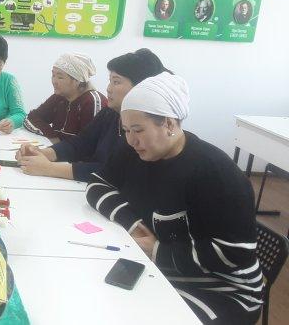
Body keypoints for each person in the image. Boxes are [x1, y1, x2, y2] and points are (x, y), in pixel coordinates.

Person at [86, 73, 263, 324]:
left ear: (169, 124)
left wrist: (157, 250)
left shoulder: (214, 172)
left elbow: (235, 253)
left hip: (223, 289)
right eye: (126, 130)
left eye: (138, 130)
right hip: (160, 268)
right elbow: (97, 184)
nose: (131, 140)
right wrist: (133, 224)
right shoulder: (135, 150)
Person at [16, 49, 168, 182]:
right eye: (110, 81)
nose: (108, 89)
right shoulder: (110, 113)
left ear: (141, 86)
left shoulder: (146, 127)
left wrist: (49, 168)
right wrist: (43, 153)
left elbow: (114, 171)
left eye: (116, 82)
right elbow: (80, 144)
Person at [24, 53, 107, 143]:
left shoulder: (92, 102)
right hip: (59, 149)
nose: (54, 81)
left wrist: (59, 144)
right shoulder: (59, 97)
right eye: (53, 75)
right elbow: (32, 117)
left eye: (60, 77)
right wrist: (52, 136)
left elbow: (90, 142)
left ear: (77, 80)